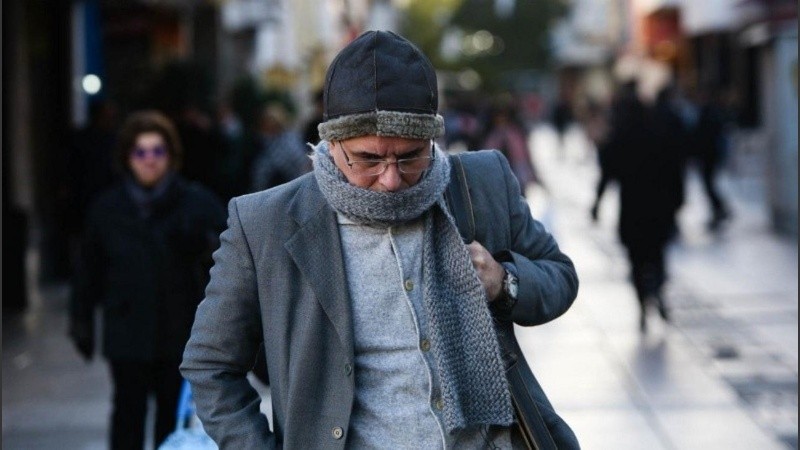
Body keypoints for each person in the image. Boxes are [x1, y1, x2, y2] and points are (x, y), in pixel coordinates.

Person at [181, 30, 579, 449]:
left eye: (410, 156)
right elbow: (210, 364)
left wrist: (502, 281)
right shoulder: (264, 223)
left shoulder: (481, 183)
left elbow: (560, 276)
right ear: (332, 142)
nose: (390, 180)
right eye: (369, 158)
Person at [69, 110, 227, 450]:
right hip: (127, 330)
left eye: (158, 151)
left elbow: (231, 260)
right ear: (128, 157)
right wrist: (81, 321)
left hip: (179, 330)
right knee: (127, 413)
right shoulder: (107, 209)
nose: (150, 160)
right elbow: (88, 270)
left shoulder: (196, 203)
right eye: (141, 152)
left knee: (171, 418)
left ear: (170, 156)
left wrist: (203, 245)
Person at [482, 100, 543, 197]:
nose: (501, 120)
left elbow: (524, 154)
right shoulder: (493, 135)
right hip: (498, 175)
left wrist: (531, 172)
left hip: (516, 173)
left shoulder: (514, 132)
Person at [249, 102, 312, 192]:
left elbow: (301, 162)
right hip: (264, 191)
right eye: (266, 120)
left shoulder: (289, 139)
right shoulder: (258, 142)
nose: (268, 124)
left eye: (271, 120)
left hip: (291, 187)